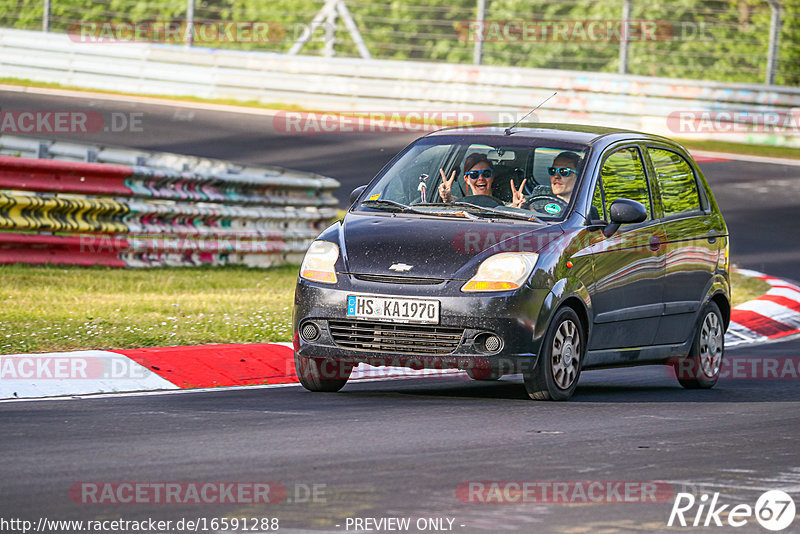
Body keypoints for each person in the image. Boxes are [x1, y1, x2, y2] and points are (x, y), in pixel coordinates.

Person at [438, 152, 526, 208]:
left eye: (486, 173)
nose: (480, 178)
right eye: (474, 175)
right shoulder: (461, 206)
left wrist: (517, 208)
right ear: (466, 179)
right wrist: (447, 199)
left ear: (492, 176)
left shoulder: (506, 206)